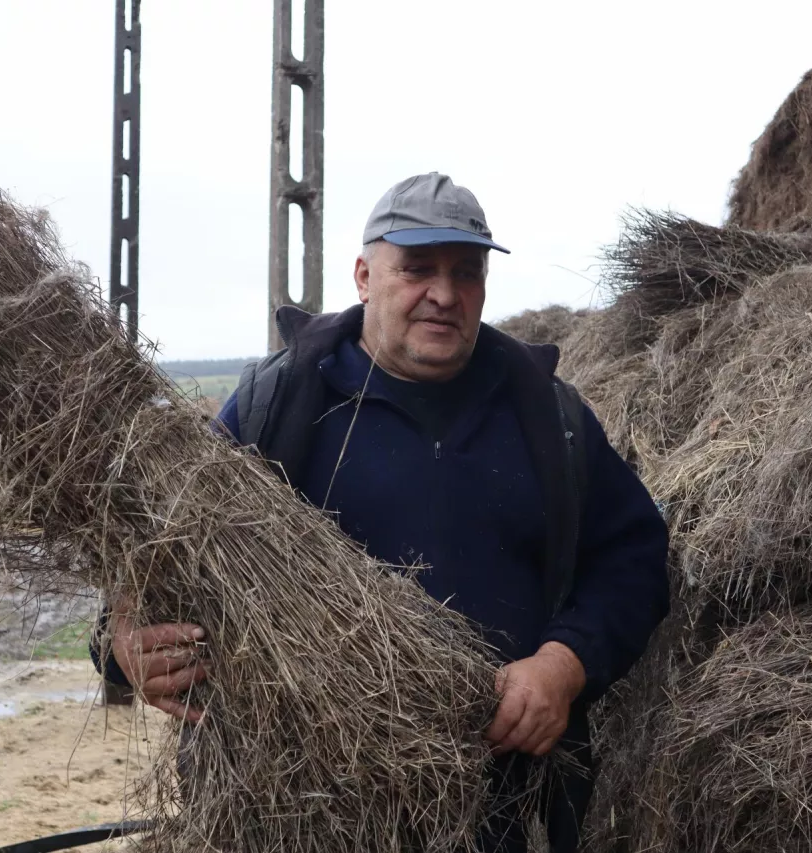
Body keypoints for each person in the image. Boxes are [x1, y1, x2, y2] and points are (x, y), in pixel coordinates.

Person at [94, 172, 669, 853]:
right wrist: (123, 639)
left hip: (506, 809)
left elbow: (635, 559)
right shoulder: (274, 408)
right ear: (365, 275)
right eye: (417, 269)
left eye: (466, 272)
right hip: (301, 811)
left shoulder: (551, 417)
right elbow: (154, 554)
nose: (445, 295)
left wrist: (563, 664)